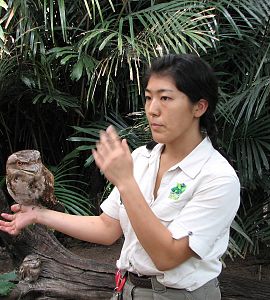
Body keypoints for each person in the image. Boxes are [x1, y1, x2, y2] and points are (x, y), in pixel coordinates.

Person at [0, 54, 240, 299]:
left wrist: (126, 183)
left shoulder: (218, 178)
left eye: (165, 98)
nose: (152, 110)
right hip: (127, 290)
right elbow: (107, 228)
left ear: (199, 106)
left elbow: (166, 256)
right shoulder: (141, 159)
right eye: (148, 98)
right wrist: (39, 214)